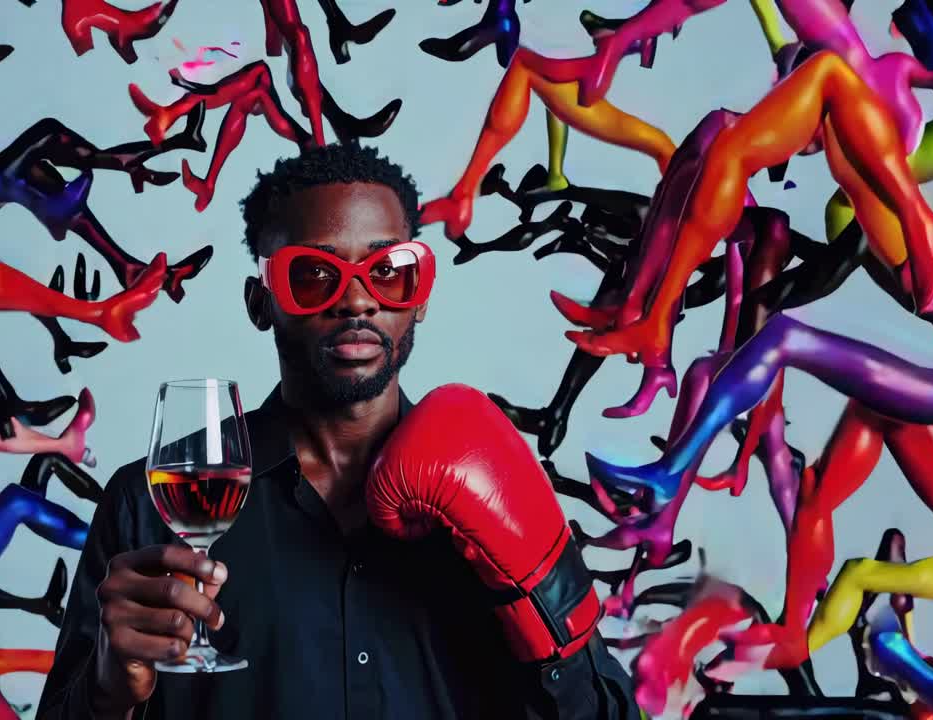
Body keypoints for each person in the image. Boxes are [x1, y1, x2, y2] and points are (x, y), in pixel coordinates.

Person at [37, 143, 639, 719]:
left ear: (420, 300)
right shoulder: (151, 501)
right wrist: (107, 694)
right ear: (260, 303)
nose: (357, 300)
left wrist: (548, 614)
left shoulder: (497, 481)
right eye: (314, 275)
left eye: (390, 271)